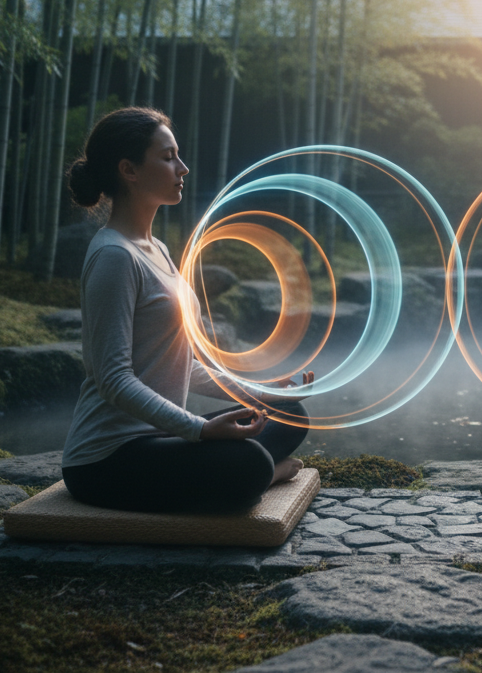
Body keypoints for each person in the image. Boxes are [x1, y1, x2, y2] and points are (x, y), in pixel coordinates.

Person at [60, 107, 313, 513]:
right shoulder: (114, 256)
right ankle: (268, 472)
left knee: (288, 411)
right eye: (168, 157)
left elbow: (185, 364)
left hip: (163, 440)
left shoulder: (156, 249)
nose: (183, 167)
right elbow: (112, 378)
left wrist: (260, 390)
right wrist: (199, 430)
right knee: (247, 464)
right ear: (129, 170)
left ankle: (259, 467)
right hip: (108, 459)